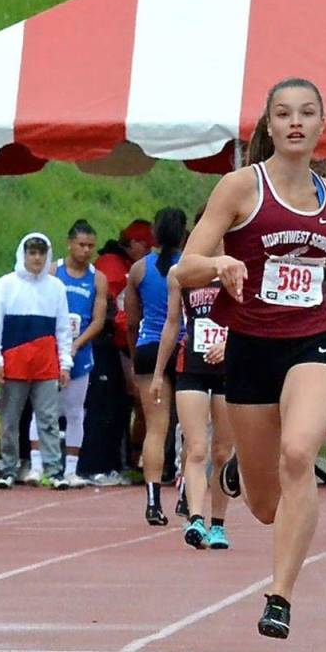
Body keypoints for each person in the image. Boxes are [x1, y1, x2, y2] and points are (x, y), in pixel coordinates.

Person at [177, 77, 326, 639]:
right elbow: (185, 268)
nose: (295, 122)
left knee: (298, 453)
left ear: (322, 126)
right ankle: (238, 474)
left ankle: (280, 595)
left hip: (313, 342)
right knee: (265, 506)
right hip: (249, 350)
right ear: (269, 126)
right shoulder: (240, 187)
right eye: (284, 113)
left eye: (306, 113)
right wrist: (218, 265)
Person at [150, 260, 233, 549]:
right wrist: (158, 373)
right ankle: (196, 518)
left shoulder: (237, 268)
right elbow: (172, 323)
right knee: (196, 448)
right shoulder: (181, 273)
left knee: (222, 452)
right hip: (192, 368)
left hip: (228, 370)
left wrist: (229, 344)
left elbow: (251, 319)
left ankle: (218, 524)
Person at [0, 233, 72, 490]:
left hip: (45, 363)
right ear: (23, 255)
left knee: (48, 419)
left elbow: (63, 329)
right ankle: (8, 469)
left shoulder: (56, 287)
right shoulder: (5, 284)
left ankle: (54, 470)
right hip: (14, 361)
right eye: (32, 253)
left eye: (41, 253)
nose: (36, 258)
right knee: (10, 420)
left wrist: (65, 363)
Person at [27, 220, 106, 488]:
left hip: (80, 353)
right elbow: (38, 307)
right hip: (50, 351)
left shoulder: (97, 278)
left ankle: (70, 469)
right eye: (81, 245)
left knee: (74, 411)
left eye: (91, 246)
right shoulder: (52, 272)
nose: (86, 250)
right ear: (69, 243)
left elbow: (98, 320)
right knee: (43, 408)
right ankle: (37, 466)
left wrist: (77, 344)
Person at [125, 207, 186, 525]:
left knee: (155, 429)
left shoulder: (139, 269)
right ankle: (187, 495)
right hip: (185, 347)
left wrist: (135, 355)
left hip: (149, 347)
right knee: (190, 428)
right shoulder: (191, 266)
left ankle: (152, 501)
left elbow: (131, 321)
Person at [89, 219, 155, 479]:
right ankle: (109, 461)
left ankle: (130, 457)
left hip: (128, 342)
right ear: (133, 243)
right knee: (118, 404)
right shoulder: (111, 265)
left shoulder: (131, 266)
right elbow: (117, 314)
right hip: (110, 344)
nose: (149, 252)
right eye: (145, 246)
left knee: (136, 404)